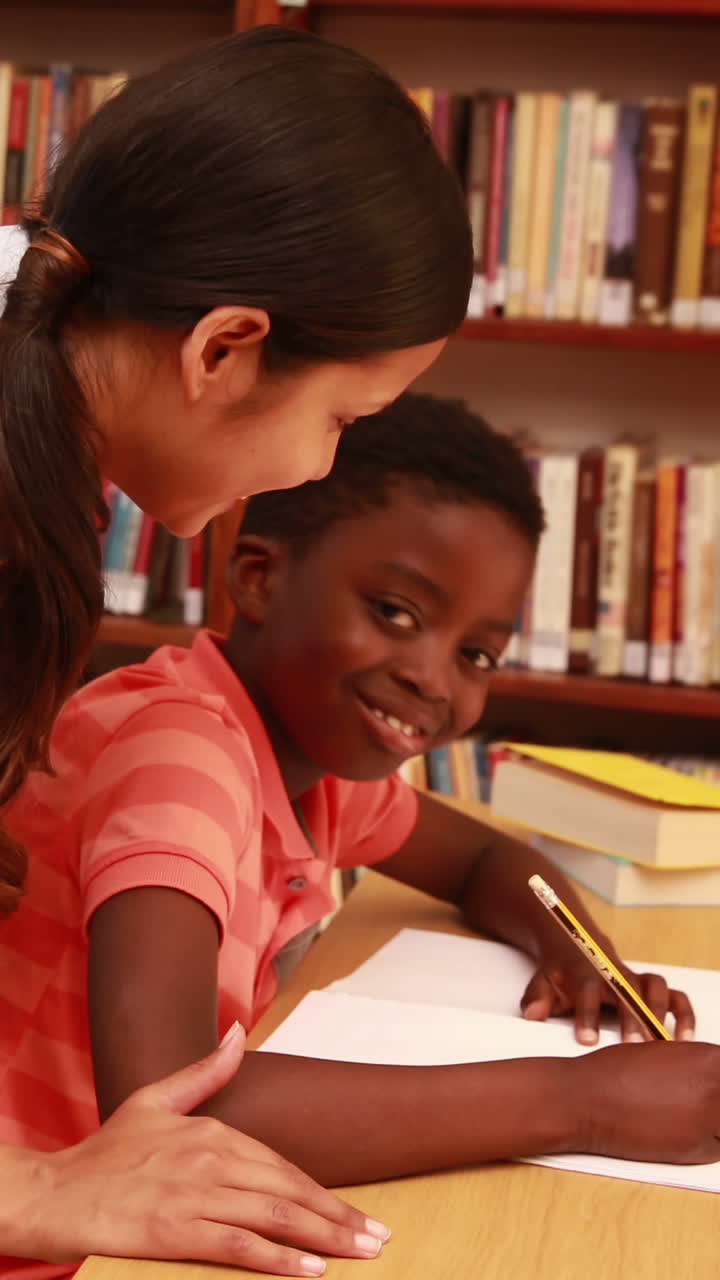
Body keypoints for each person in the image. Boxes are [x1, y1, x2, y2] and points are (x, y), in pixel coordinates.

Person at [5, 391, 717, 1280]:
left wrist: (576, 953)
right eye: (396, 612)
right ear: (259, 578)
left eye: (476, 655)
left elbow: (488, 860)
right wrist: (581, 1099)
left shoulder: (318, 768)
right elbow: (169, 1108)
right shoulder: (180, 754)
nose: (434, 680)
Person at [0, 24, 472, 1273]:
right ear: (221, 348)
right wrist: (35, 1187)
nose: (320, 466)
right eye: (344, 417)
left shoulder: (42, 487)